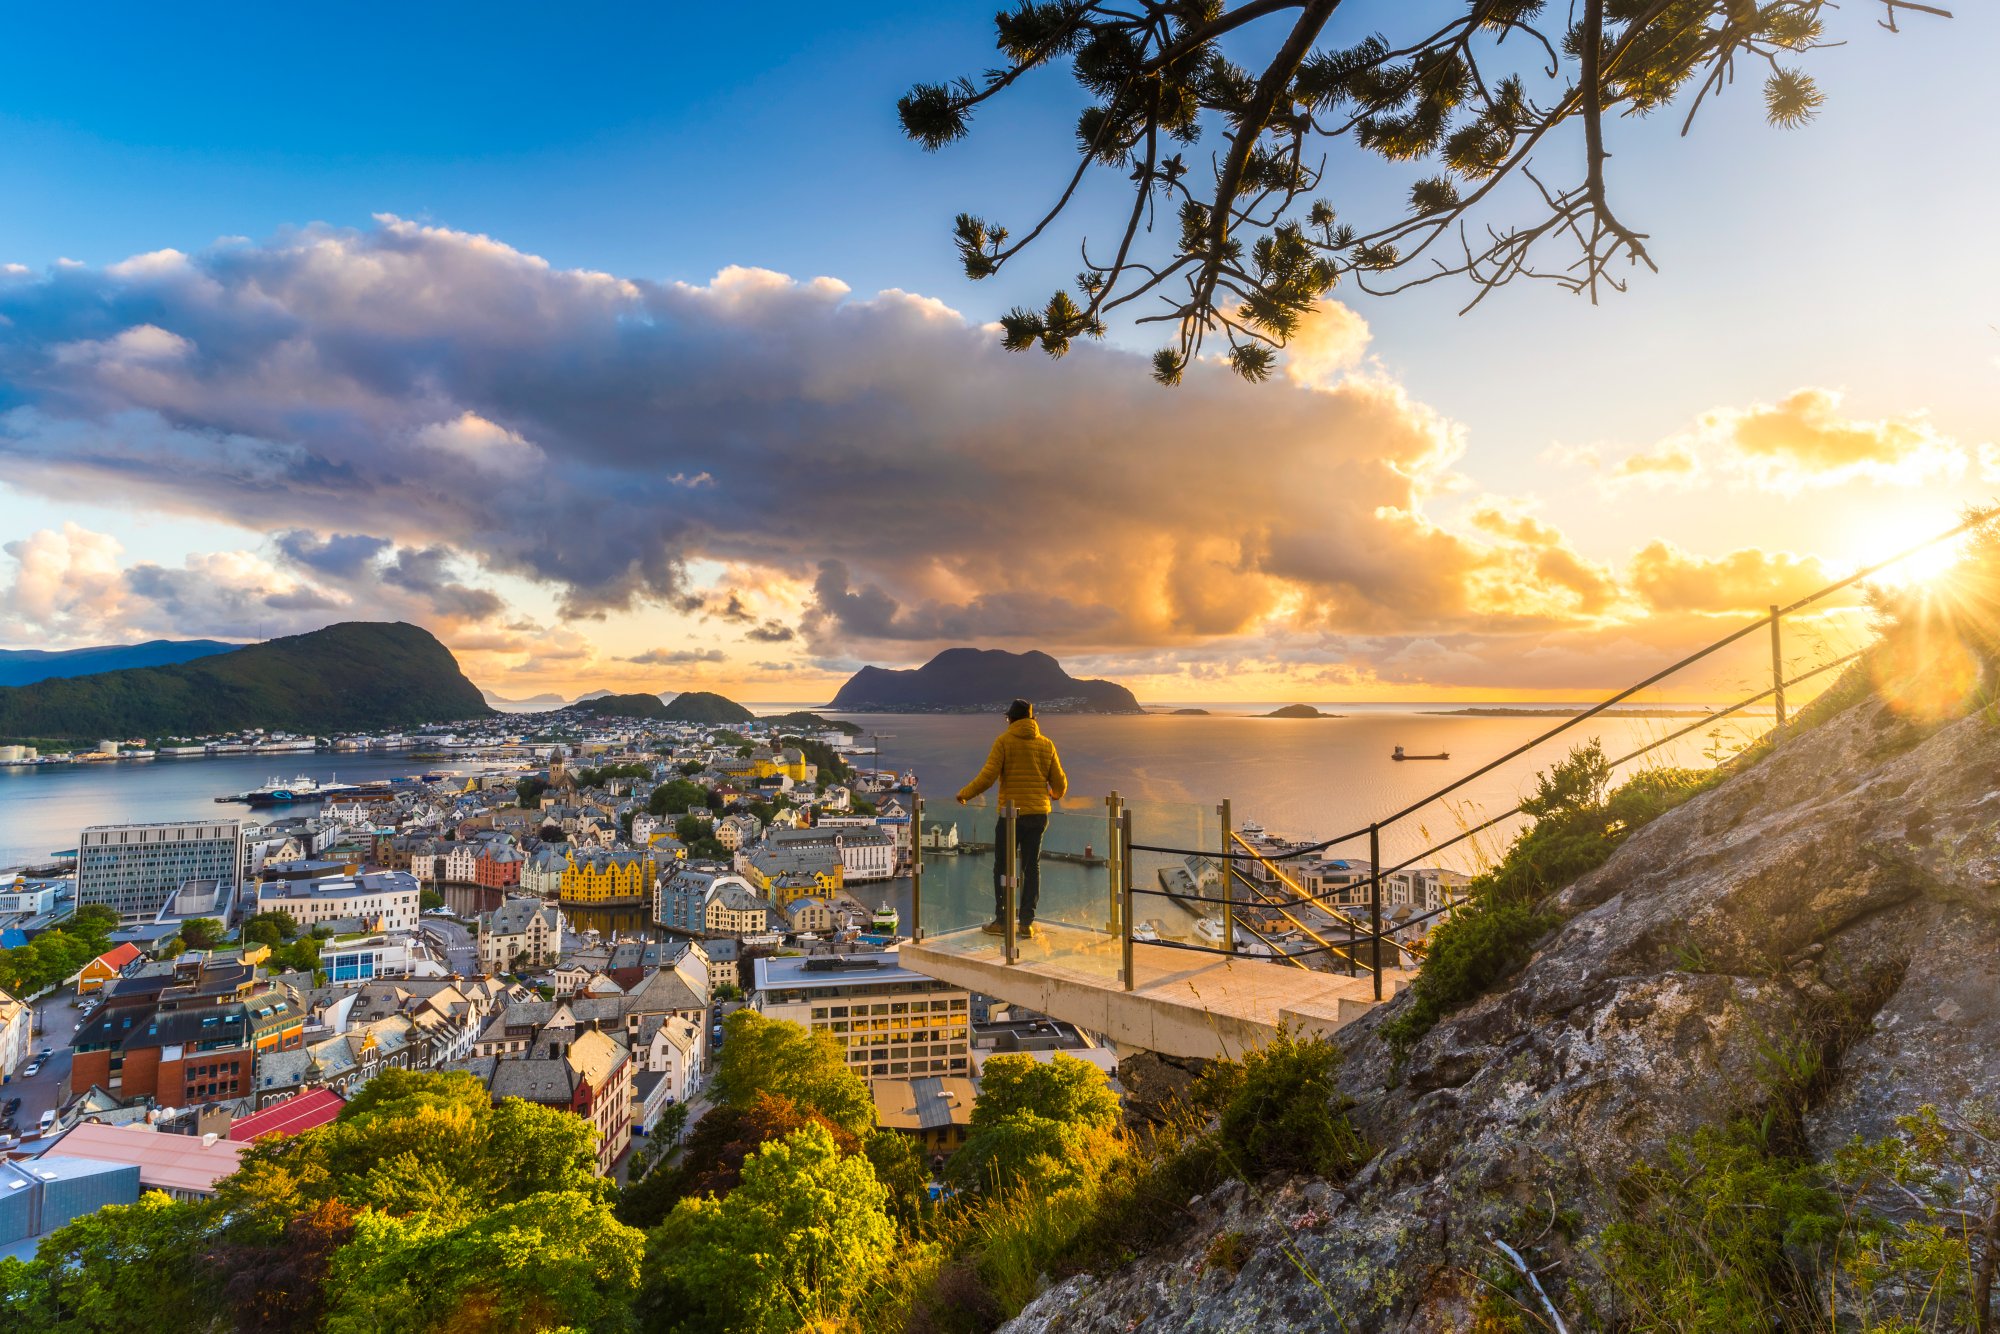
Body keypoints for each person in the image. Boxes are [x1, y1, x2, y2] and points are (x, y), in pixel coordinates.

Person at [956, 698, 1067, 940]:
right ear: (1032, 719)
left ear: (1012, 719)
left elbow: (988, 777)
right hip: (1039, 814)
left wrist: (965, 794)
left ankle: (1003, 920)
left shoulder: (1004, 742)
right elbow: (1060, 782)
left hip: (1010, 816)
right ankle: (1026, 922)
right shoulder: (1047, 744)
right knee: (1032, 866)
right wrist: (1054, 795)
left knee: (1003, 867)